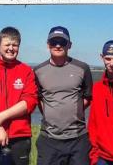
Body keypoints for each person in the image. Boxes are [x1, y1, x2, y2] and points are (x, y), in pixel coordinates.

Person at [33, 26, 93, 165]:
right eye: (54, 42)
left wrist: (74, 113)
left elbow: (88, 96)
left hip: (78, 139)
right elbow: (39, 99)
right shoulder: (38, 71)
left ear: (69, 45)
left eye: (62, 42)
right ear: (48, 45)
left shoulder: (83, 68)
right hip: (49, 140)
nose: (58, 45)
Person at [0, 26, 37, 165]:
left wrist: (2, 117)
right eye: (7, 44)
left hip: (19, 135)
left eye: (15, 45)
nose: (11, 48)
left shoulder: (26, 70)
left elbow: (30, 101)